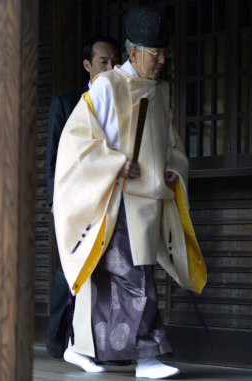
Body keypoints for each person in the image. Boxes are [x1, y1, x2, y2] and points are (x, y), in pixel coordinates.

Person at [53, 4, 207, 379]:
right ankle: (148, 358)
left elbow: (170, 145)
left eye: (164, 54)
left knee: (110, 279)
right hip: (114, 201)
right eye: (156, 55)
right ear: (134, 52)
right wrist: (114, 163)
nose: (162, 61)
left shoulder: (159, 92)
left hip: (147, 201)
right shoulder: (107, 86)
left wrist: (173, 167)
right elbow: (76, 141)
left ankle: (78, 345)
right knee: (134, 276)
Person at [45, 36, 120, 359]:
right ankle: (56, 337)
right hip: (75, 199)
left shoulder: (123, 101)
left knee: (115, 269)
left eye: (114, 62)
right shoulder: (65, 104)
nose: (110, 68)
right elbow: (53, 157)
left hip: (114, 197)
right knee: (71, 269)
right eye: (103, 61)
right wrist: (54, 199)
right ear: (88, 66)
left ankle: (113, 344)